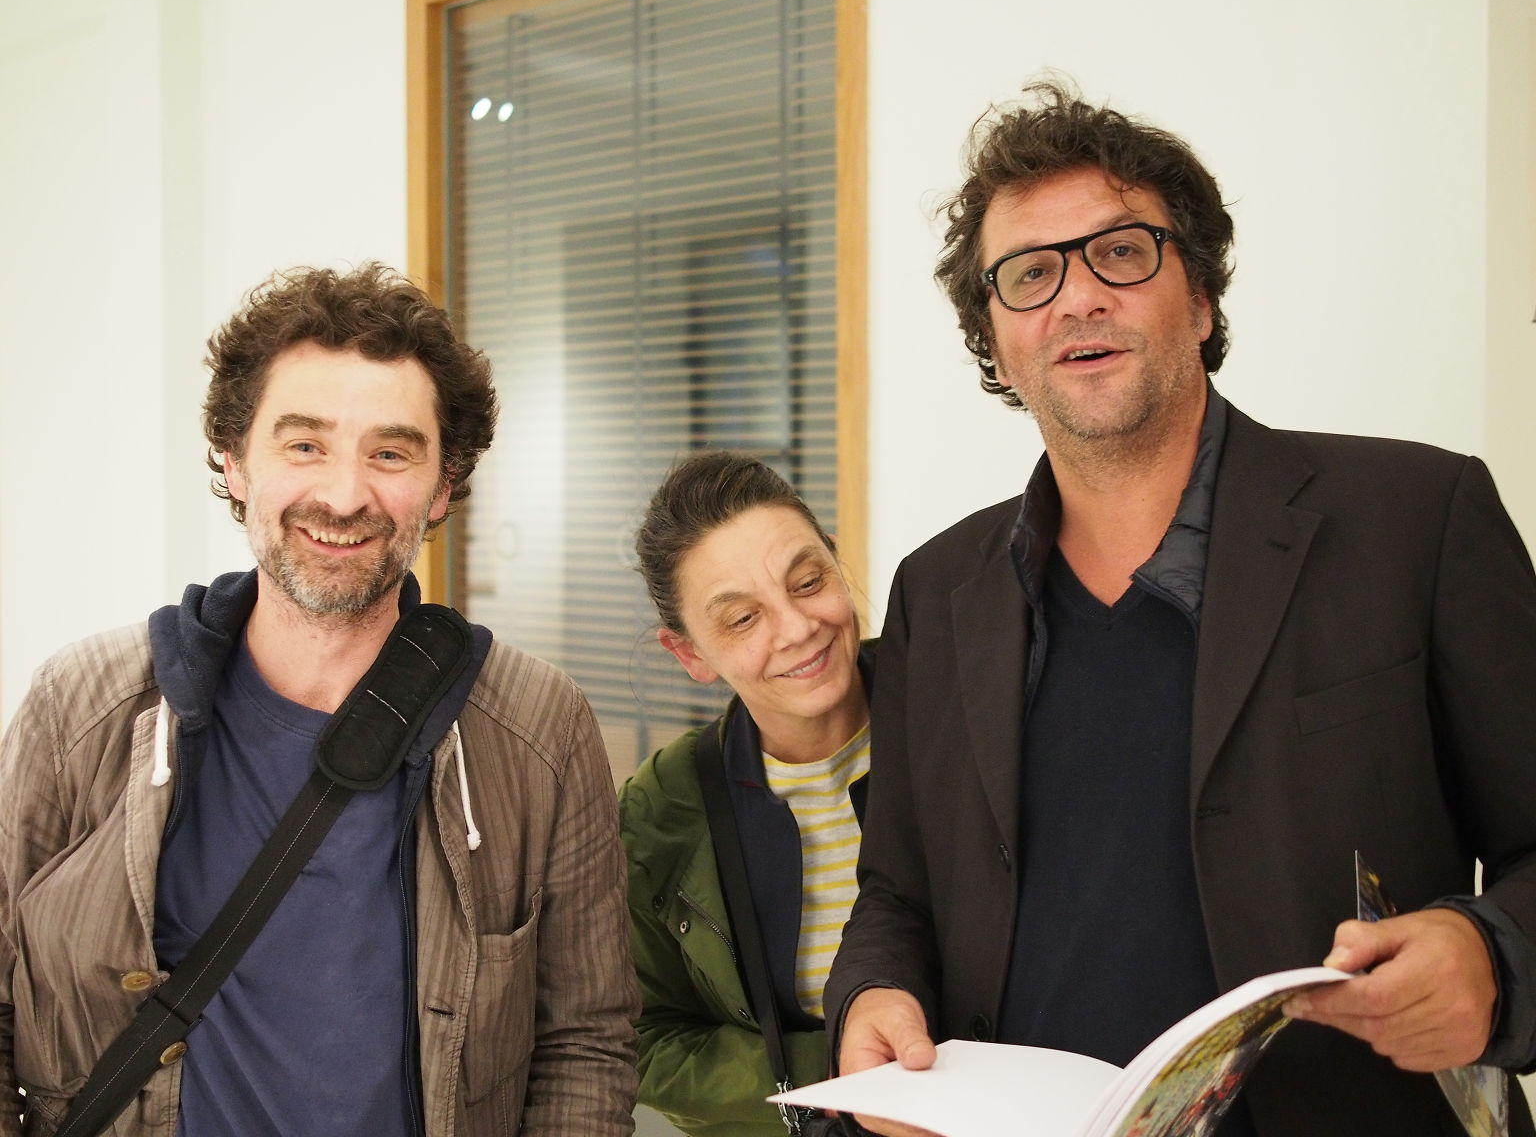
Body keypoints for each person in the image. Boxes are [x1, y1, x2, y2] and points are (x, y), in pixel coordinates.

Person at [823, 80, 1536, 1137]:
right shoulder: (937, 591)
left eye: (1120, 252)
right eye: (1030, 274)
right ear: (996, 341)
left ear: (1199, 298)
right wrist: (871, 997)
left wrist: (1495, 957)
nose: (1077, 297)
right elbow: (897, 890)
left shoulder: (1417, 521)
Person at [0, 264, 638, 1136]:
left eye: (390, 453)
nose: (343, 496)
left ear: (443, 485)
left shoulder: (537, 727)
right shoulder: (81, 710)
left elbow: (584, 1046)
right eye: (304, 445)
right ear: (235, 461)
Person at [620, 451, 873, 1136]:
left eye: (809, 582)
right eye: (742, 619)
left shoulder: (964, 713)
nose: (796, 628)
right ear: (690, 654)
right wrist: (835, 1074)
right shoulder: (660, 811)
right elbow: (643, 1037)